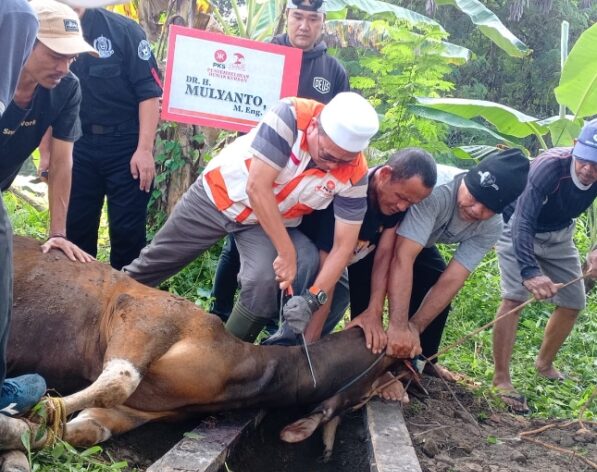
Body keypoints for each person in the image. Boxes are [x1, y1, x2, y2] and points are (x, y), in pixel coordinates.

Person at [124, 92, 379, 342]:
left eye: (344, 160)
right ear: (314, 126)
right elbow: (257, 187)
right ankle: (98, 309)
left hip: (262, 223)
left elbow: (344, 246)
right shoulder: (290, 116)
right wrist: (286, 252)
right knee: (154, 262)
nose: (333, 167)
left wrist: (314, 298)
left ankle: (225, 355)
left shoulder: (355, 173)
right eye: (328, 156)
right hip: (218, 197)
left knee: (263, 283)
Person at [210, 0, 350, 322]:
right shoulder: (263, 55)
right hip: (260, 166)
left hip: (305, 180)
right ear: (287, 17)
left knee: (292, 247)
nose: (304, 25)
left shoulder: (334, 71)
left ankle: (275, 317)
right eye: (298, 17)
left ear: (322, 22)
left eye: (312, 19)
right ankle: (219, 309)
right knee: (238, 242)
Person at [351, 149, 530, 383]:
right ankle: (364, 360)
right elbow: (402, 258)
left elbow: (453, 278)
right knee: (368, 270)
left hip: (422, 241)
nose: (477, 210)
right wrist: (397, 325)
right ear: (466, 179)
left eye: (488, 208)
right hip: (388, 231)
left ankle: (417, 359)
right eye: (474, 198)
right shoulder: (438, 192)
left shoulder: (492, 227)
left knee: (436, 278)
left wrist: (413, 327)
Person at [0, 0, 96, 415]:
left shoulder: (67, 88)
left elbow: (62, 160)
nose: (64, 64)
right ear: (25, 41)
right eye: (55, 53)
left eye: (71, 54)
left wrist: (58, 232)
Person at [265, 148, 437, 346]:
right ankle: (285, 342)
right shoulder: (351, 193)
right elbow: (328, 266)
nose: (402, 207)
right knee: (312, 271)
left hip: (340, 256)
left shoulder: (396, 203)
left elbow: (383, 256)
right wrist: (310, 347)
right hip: (306, 242)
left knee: (342, 292)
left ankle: (306, 342)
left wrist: (375, 310)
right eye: (401, 198)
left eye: (411, 203)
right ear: (385, 174)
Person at [491, 121, 597, 414]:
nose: (588, 170)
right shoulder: (550, 166)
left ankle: (544, 364)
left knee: (574, 301)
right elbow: (523, 219)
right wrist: (530, 272)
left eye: (596, 165)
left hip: (560, 234)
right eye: (585, 159)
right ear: (576, 145)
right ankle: (501, 378)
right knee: (514, 298)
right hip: (519, 229)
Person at [55, 5, 162, 270]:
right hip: (77, 144)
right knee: (75, 230)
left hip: (126, 145)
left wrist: (144, 150)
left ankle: (124, 302)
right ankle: (79, 298)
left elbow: (149, 94)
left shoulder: (124, 31)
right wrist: (48, 154)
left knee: (128, 233)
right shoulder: (49, 28)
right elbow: (48, 94)